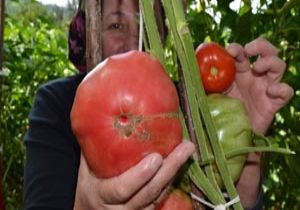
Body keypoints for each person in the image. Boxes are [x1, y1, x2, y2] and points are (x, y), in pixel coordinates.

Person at [23, 0, 294, 210]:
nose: (132, 39)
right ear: (89, 33)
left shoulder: (189, 102)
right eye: (116, 25)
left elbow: (227, 202)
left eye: (146, 25)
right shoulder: (58, 103)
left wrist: (242, 144)